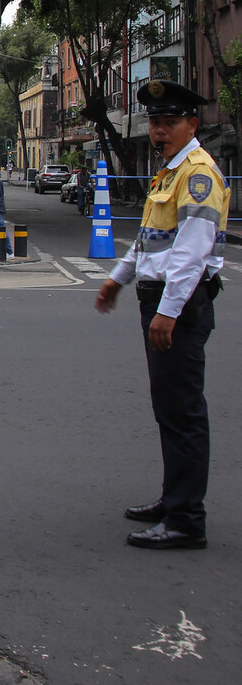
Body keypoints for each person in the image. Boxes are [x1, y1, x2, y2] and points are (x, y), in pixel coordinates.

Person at [95, 79, 229, 550]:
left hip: (181, 304)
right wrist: (118, 278)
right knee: (169, 408)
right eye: (154, 122)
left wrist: (167, 313)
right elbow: (150, 239)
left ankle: (187, 519)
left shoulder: (197, 174)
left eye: (169, 122)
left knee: (183, 411)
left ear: (192, 123)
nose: (158, 130)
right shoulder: (169, 173)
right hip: (160, 299)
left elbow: (191, 255)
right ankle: (175, 501)